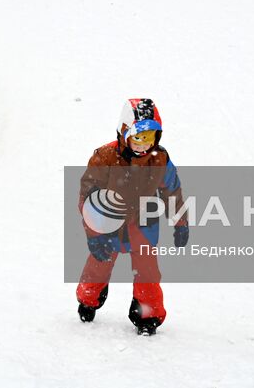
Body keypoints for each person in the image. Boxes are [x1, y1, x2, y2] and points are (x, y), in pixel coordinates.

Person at [76, 99, 188, 335]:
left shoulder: (160, 159)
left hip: (143, 223)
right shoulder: (105, 157)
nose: (142, 145)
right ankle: (88, 299)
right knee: (98, 265)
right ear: (124, 133)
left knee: (147, 272)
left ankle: (147, 315)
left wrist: (180, 222)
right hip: (108, 224)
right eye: (137, 138)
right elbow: (88, 198)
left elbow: (172, 190)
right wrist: (94, 235)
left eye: (148, 138)